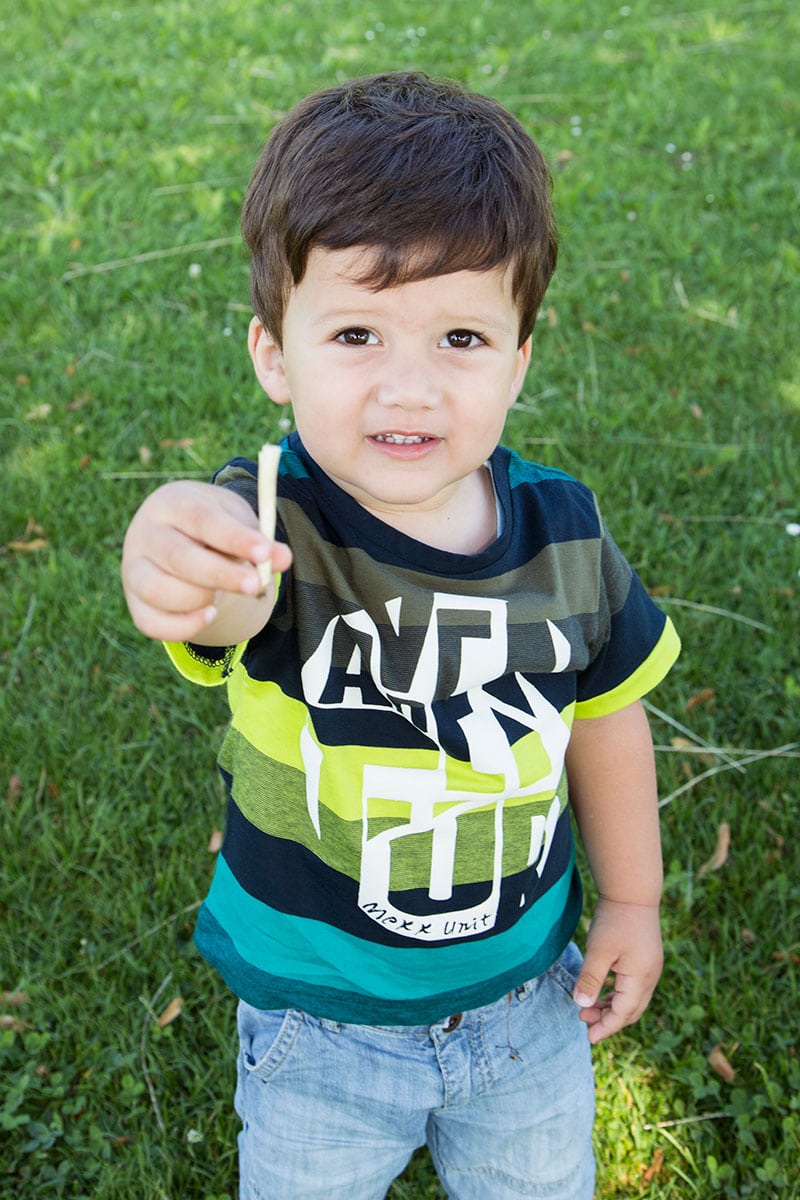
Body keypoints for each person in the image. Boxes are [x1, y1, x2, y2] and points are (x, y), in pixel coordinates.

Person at [121, 71, 680, 1200]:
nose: (409, 387)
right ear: (275, 353)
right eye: (358, 332)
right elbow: (220, 582)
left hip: (525, 1004)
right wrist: (176, 546)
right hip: (316, 1032)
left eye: (461, 336)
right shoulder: (276, 525)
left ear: (521, 356)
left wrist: (629, 902)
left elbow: (605, 714)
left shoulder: (561, 534)